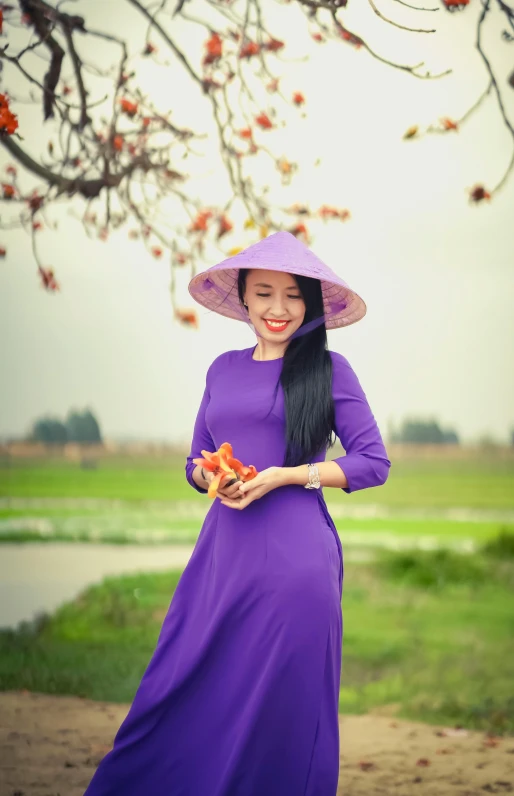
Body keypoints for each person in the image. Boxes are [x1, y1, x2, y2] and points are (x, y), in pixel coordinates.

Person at [83, 230, 391, 796]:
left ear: (311, 304)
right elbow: (194, 461)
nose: (279, 309)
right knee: (182, 684)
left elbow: (373, 462)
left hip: (298, 566)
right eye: (265, 293)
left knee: (284, 711)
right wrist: (210, 475)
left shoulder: (329, 371)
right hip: (222, 560)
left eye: (294, 295)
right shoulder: (221, 370)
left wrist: (289, 476)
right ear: (244, 298)